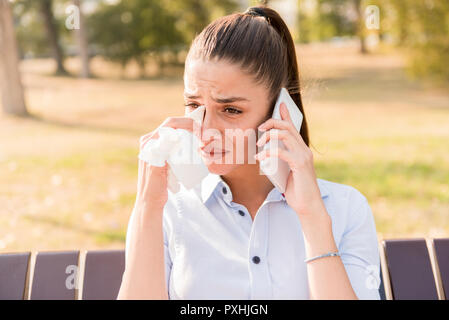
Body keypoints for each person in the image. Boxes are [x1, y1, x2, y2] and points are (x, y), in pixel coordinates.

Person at [117, 5, 381, 300]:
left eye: (231, 110)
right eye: (194, 105)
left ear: (281, 111)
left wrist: (312, 217)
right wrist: (147, 206)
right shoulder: (167, 209)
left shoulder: (345, 209)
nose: (206, 129)